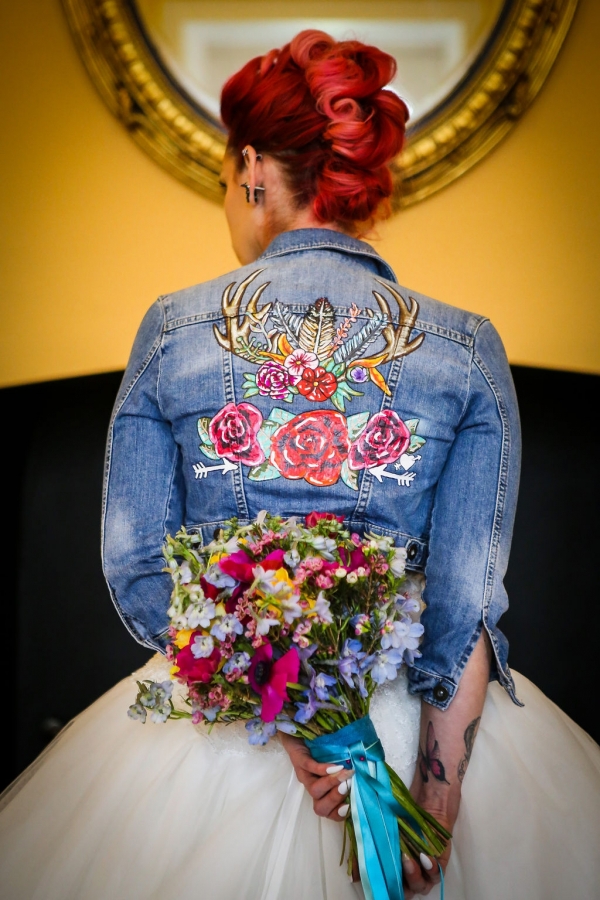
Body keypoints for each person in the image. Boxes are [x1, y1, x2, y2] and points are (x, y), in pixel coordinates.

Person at [0, 30, 599, 900]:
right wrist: (433, 799)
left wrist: (286, 717)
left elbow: (138, 567)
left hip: (219, 742)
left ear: (251, 167)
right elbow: (464, 603)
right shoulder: (468, 347)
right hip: (406, 719)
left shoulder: (172, 328)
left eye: (226, 179)